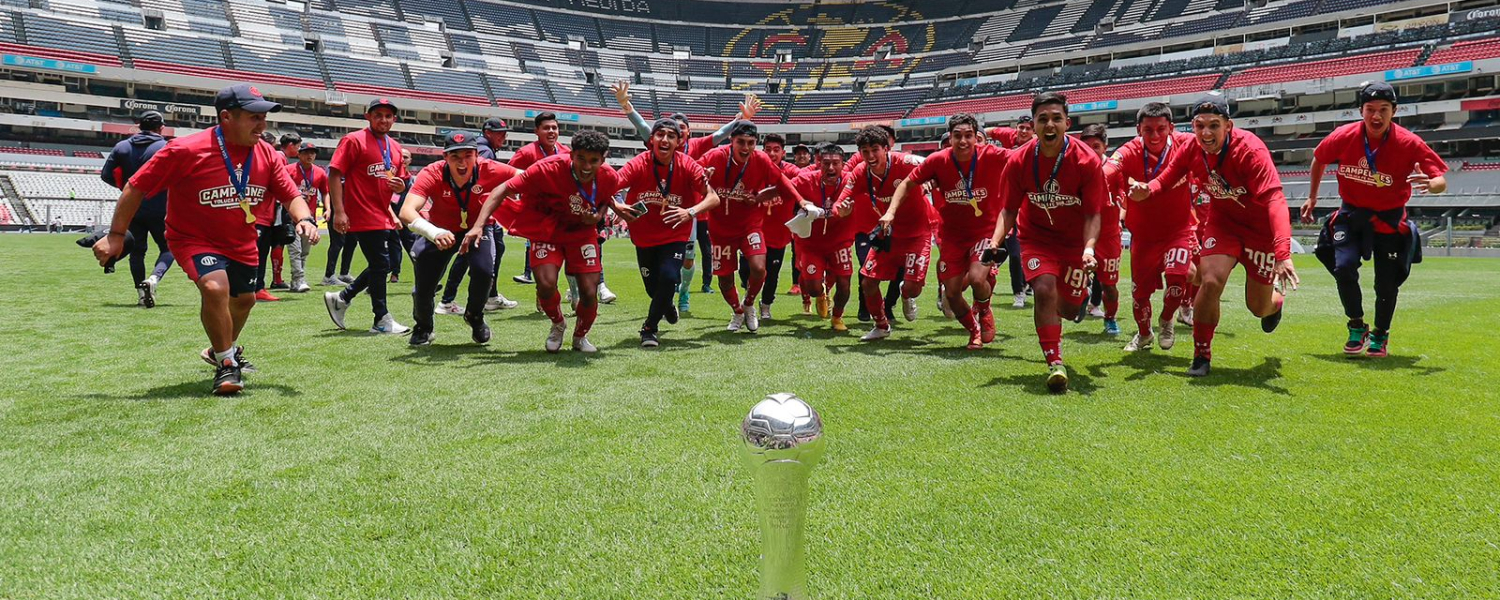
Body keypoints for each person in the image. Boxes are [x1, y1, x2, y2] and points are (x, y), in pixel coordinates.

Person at [92, 84, 318, 395]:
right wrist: (116, 235)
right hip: (193, 238)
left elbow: (290, 194)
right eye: (253, 117)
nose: (262, 125)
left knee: (245, 300)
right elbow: (135, 186)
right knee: (215, 287)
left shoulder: (267, 153)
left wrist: (304, 218)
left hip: (242, 240)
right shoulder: (185, 149)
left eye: (264, 118)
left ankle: (218, 350)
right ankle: (227, 365)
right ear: (226, 117)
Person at [1128, 92, 1298, 377]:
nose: (1206, 133)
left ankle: (1275, 304)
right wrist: (1149, 189)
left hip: (1260, 233)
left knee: (1258, 307)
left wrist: (1282, 254)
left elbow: (1275, 200)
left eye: (1213, 125)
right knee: (1209, 280)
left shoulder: (1251, 151)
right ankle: (1201, 354)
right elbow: (1167, 177)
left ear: (1228, 126)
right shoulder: (1191, 150)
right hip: (1224, 225)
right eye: (1199, 125)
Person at [1302, 81, 1446, 357]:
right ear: (1361, 110)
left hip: (1389, 220)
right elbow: (1319, 158)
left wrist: (1432, 184)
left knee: (1386, 283)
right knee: (1343, 268)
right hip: (1351, 214)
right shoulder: (1344, 135)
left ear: (1394, 111)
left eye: (1383, 109)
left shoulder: (1408, 142)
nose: (1376, 116)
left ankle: (1380, 334)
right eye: (1370, 109)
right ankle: (1357, 325)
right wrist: (1312, 196)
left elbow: (1440, 178)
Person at [987, 92, 1106, 393]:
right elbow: (1009, 210)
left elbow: (1094, 213)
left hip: (1074, 245)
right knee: (1043, 289)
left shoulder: (1087, 161)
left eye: (1056, 118)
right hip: (1036, 238)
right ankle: (1055, 361)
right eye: (1043, 119)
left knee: (1067, 308)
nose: (1049, 124)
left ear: (1067, 123)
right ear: (1034, 124)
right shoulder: (1018, 160)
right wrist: (995, 240)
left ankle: (1080, 298)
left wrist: (1089, 248)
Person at [466, 130, 621, 353]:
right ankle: (558, 324)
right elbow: (502, 189)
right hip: (547, 229)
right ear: (571, 155)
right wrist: (479, 225)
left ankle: (580, 336)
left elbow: (606, 199)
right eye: (581, 159)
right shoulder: (545, 168)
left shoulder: (609, 176)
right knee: (546, 285)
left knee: (589, 292)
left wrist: (598, 216)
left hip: (582, 233)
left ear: (603, 160)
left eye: (594, 161)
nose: (587, 166)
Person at [897, 113, 1009, 349]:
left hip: (984, 232)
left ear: (977, 137)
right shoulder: (938, 160)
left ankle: (985, 311)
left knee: (979, 278)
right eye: (957, 136)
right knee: (952, 294)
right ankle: (973, 329)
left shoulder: (992, 155)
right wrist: (890, 211)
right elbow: (908, 182)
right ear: (951, 137)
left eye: (969, 136)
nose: (963, 141)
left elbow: (1022, 157)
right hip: (952, 237)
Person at [400, 131, 517, 346]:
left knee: (484, 272)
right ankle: (424, 326)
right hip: (439, 230)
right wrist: (434, 233)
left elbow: (529, 176)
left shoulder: (491, 169)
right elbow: (407, 212)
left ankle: (475, 316)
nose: (462, 163)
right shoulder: (432, 173)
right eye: (455, 157)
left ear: (476, 155)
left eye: (467, 155)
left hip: (478, 228)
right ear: (445, 157)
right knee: (424, 287)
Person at [612, 118, 720, 347]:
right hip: (643, 235)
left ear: (679, 142)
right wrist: (617, 206)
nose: (665, 139)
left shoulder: (688, 164)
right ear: (651, 139)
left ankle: (649, 328)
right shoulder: (638, 163)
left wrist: (690, 212)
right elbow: (610, 186)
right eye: (660, 134)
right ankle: (667, 305)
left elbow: (713, 198)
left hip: (674, 234)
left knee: (670, 277)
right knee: (654, 288)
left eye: (671, 136)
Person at [1104, 102, 1200, 352]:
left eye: (1160, 129)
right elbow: (1109, 168)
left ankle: (1167, 318)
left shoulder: (1186, 144)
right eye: (1148, 130)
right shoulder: (1128, 151)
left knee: (1179, 275)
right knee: (1140, 295)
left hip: (1178, 230)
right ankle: (1144, 334)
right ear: (1139, 130)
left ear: (1171, 128)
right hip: (1144, 236)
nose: (1155, 135)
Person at [696, 121, 809, 333]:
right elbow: (694, 172)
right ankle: (737, 311)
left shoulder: (761, 159)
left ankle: (749, 305)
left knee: (759, 269)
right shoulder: (715, 157)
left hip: (750, 225)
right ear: (731, 141)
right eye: (741, 142)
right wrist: (702, 178)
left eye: (750, 143)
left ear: (755, 143)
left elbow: (782, 180)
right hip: (720, 229)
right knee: (725, 280)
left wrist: (800, 201)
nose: (745, 148)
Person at [323, 97, 412, 335]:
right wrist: (339, 211)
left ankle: (342, 298)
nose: (383, 119)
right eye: (378, 115)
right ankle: (381, 319)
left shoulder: (393, 146)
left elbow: (400, 181)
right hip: (361, 212)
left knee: (385, 263)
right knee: (382, 263)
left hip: (382, 212)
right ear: (368, 116)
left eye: (388, 115)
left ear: (394, 119)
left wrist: (399, 190)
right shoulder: (353, 140)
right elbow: (334, 174)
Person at [839, 125, 931, 342]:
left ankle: (906, 294)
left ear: (887, 149)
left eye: (875, 150)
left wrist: (929, 180)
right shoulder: (860, 172)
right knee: (868, 282)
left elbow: (935, 166)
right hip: (887, 233)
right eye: (865, 151)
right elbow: (843, 197)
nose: (870, 156)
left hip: (917, 233)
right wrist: (841, 209)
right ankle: (881, 325)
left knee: (912, 287)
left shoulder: (907, 162)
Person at [438, 118, 520, 314]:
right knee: (472, 256)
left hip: (479, 215)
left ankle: (489, 296)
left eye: (505, 133)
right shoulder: (483, 151)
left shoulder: (484, 148)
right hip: (478, 216)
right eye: (499, 133)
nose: (503, 137)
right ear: (487, 132)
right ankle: (452, 299)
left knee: (491, 252)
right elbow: (476, 180)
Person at [101, 110, 172, 308]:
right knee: (168, 247)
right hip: (161, 206)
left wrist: (128, 189)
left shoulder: (121, 147)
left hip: (132, 207)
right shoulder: (166, 146)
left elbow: (106, 175)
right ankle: (154, 279)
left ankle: (141, 294)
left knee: (137, 251)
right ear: (161, 128)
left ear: (139, 126)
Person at [792, 143, 857, 331]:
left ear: (843, 164)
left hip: (840, 241)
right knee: (812, 287)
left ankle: (837, 317)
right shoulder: (805, 180)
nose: (830, 168)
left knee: (844, 283)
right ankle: (821, 296)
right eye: (825, 163)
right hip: (812, 244)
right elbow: (785, 187)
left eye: (835, 163)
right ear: (818, 164)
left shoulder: (852, 180)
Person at [507, 112, 570, 287]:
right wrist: (515, 204)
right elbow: (507, 178)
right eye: (546, 128)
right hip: (536, 215)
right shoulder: (526, 153)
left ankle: (573, 291)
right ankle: (542, 287)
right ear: (536, 131)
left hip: (562, 213)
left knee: (567, 251)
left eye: (554, 128)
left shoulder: (566, 152)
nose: (551, 131)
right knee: (542, 256)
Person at [745, 132, 800, 321]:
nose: (771, 153)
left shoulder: (792, 171)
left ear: (783, 153)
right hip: (753, 230)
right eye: (767, 149)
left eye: (776, 150)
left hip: (778, 234)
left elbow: (805, 180)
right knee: (746, 270)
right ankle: (749, 299)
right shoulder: (755, 169)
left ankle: (766, 305)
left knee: (772, 273)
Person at [1079, 123, 1122, 336]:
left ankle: (1110, 318)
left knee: (1110, 287)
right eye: (1086, 147)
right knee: (1073, 281)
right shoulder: (1076, 170)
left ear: (1105, 147)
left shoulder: (1114, 170)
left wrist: (1121, 216)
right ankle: (1081, 297)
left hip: (1109, 236)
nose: (1091, 151)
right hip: (1082, 235)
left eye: (1096, 146)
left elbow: (1125, 198)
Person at [284, 142, 328, 293]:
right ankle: (299, 278)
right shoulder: (289, 170)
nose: (310, 155)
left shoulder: (320, 172)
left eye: (313, 153)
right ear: (299, 154)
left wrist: (327, 208)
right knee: (294, 250)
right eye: (306, 152)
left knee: (304, 251)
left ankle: (296, 281)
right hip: (291, 216)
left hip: (310, 217)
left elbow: (325, 192)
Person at [386, 148, 417, 284]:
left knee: (412, 246)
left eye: (406, 157)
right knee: (393, 247)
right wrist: (393, 217)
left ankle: (422, 274)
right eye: (401, 157)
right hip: (389, 218)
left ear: (410, 160)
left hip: (405, 218)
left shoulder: (412, 180)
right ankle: (394, 273)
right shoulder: (389, 177)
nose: (403, 159)